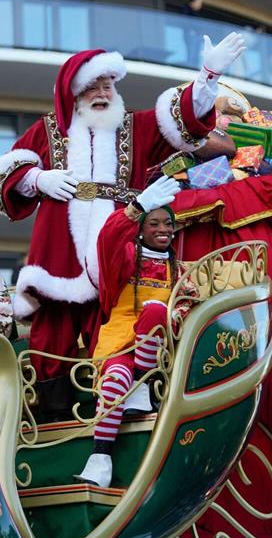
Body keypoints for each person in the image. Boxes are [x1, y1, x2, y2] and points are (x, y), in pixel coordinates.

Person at [0, 35, 245, 419]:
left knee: (117, 327)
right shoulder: (47, 131)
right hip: (59, 253)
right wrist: (39, 180)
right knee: (50, 340)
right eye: (94, 86)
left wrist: (207, 76)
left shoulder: (137, 127)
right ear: (75, 93)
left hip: (118, 249)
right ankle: (46, 422)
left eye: (109, 85)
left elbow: (184, 120)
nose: (103, 93)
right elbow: (6, 175)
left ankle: (117, 416)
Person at [76, 176, 199, 487]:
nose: (163, 230)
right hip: (119, 344)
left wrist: (177, 313)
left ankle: (142, 385)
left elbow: (189, 306)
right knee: (116, 379)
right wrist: (137, 206)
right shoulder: (128, 258)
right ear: (141, 230)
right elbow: (108, 239)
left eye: (168, 224)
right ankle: (100, 459)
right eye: (154, 223)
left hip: (159, 354)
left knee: (156, 311)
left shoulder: (182, 270)